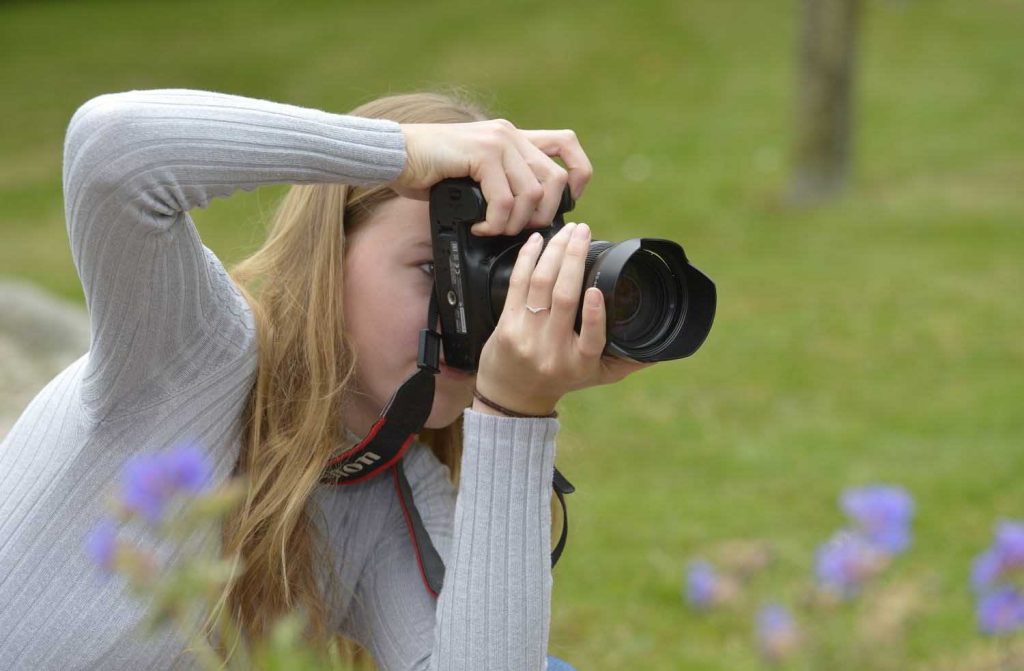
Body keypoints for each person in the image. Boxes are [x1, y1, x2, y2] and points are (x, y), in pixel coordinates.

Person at [0, 88, 651, 670]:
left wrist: (516, 411)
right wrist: (397, 153)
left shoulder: (386, 492)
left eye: (490, 280)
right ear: (328, 255)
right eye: (435, 269)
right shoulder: (192, 348)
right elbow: (111, 148)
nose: (469, 314)